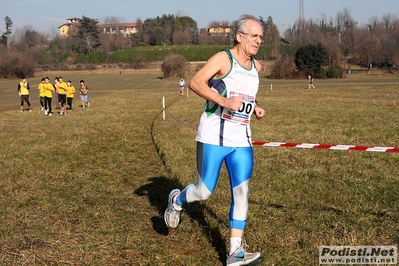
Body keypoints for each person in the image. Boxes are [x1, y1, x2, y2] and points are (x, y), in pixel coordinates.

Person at [164, 14, 265, 266]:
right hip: (212, 137)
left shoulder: (256, 67)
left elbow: (243, 95)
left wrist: (256, 107)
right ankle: (176, 200)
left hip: (242, 140)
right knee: (204, 192)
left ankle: (235, 252)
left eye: (261, 37)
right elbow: (196, 82)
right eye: (254, 36)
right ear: (239, 36)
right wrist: (224, 102)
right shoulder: (224, 58)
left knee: (241, 192)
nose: (258, 41)